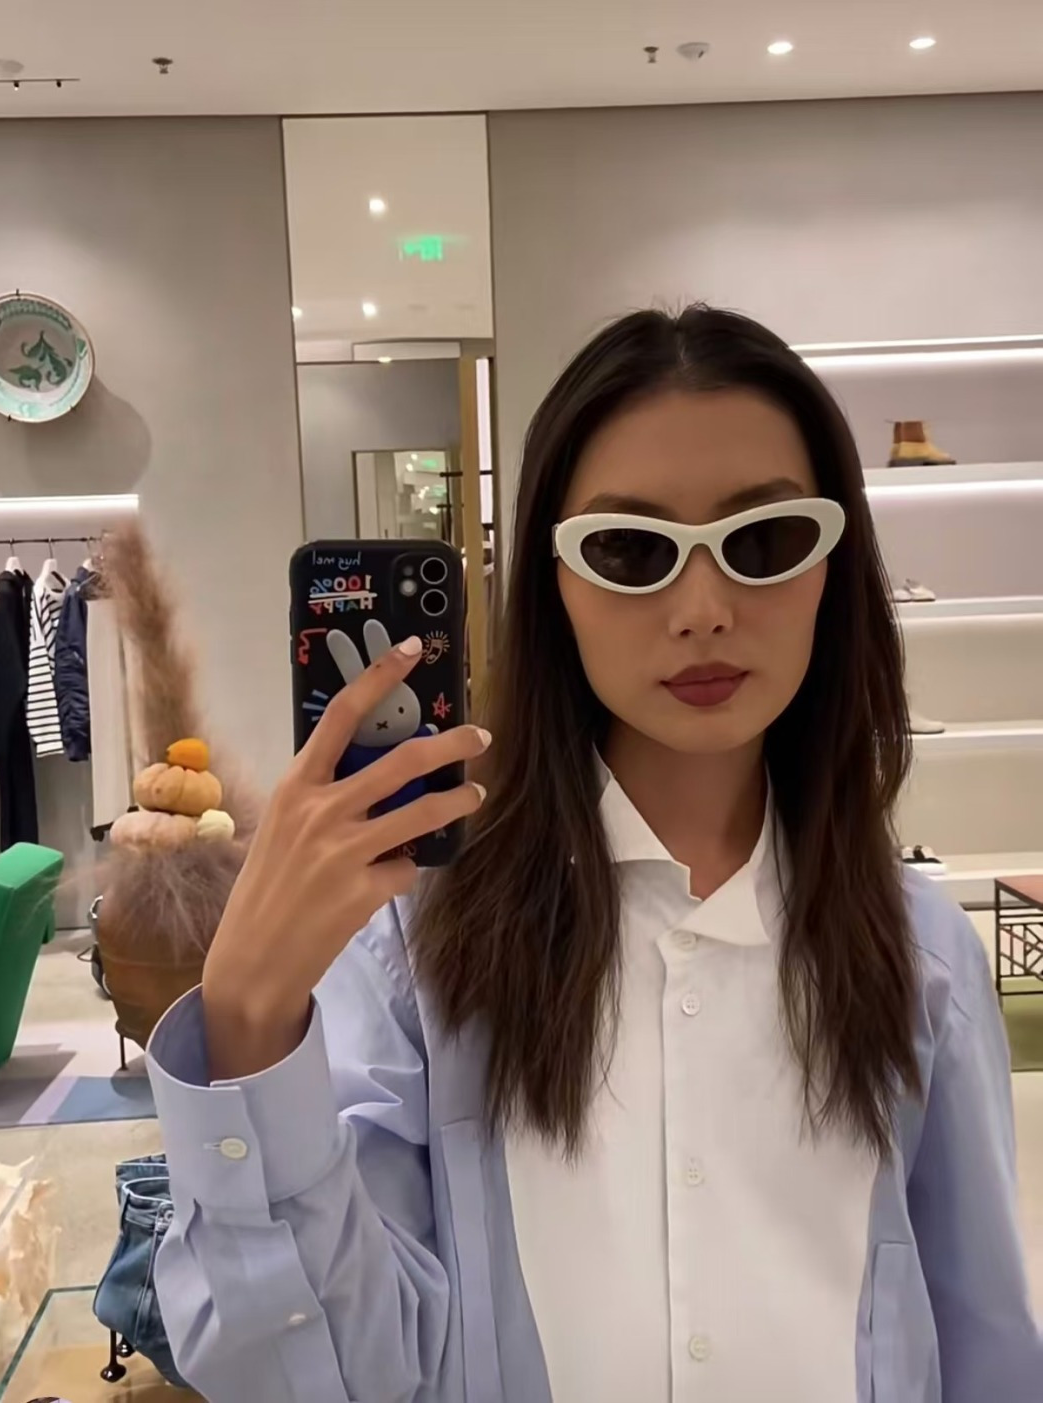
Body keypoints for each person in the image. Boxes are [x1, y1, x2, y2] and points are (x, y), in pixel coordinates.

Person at [146, 307, 1042, 1403]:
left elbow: (985, 1346)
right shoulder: (417, 955)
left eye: (764, 541)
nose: (703, 609)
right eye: (630, 550)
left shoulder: (922, 962)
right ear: (556, 582)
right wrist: (247, 1022)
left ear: (832, 565)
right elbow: (319, 1377)